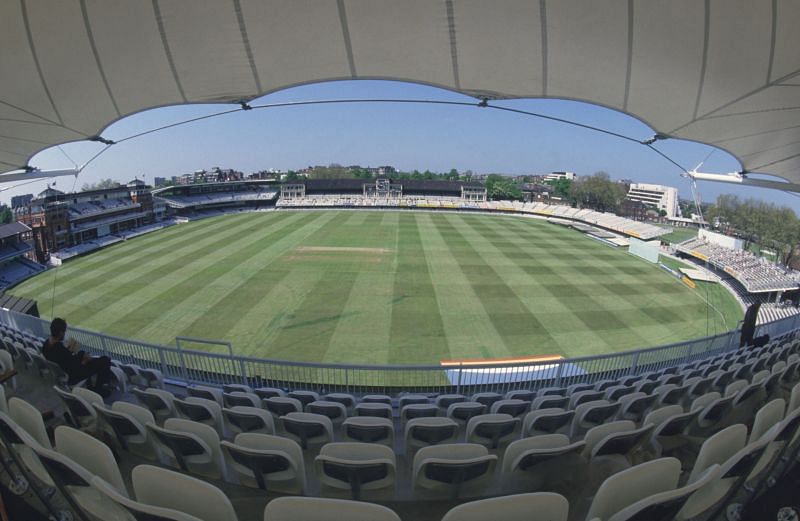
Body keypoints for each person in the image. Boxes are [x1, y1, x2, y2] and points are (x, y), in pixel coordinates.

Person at [42, 317, 113, 397]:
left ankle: (96, 385)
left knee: (86, 355)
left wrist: (73, 353)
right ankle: (98, 390)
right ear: (61, 333)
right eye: (64, 331)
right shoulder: (60, 350)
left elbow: (65, 359)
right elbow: (75, 368)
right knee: (105, 361)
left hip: (64, 370)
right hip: (74, 375)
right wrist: (84, 361)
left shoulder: (46, 344)